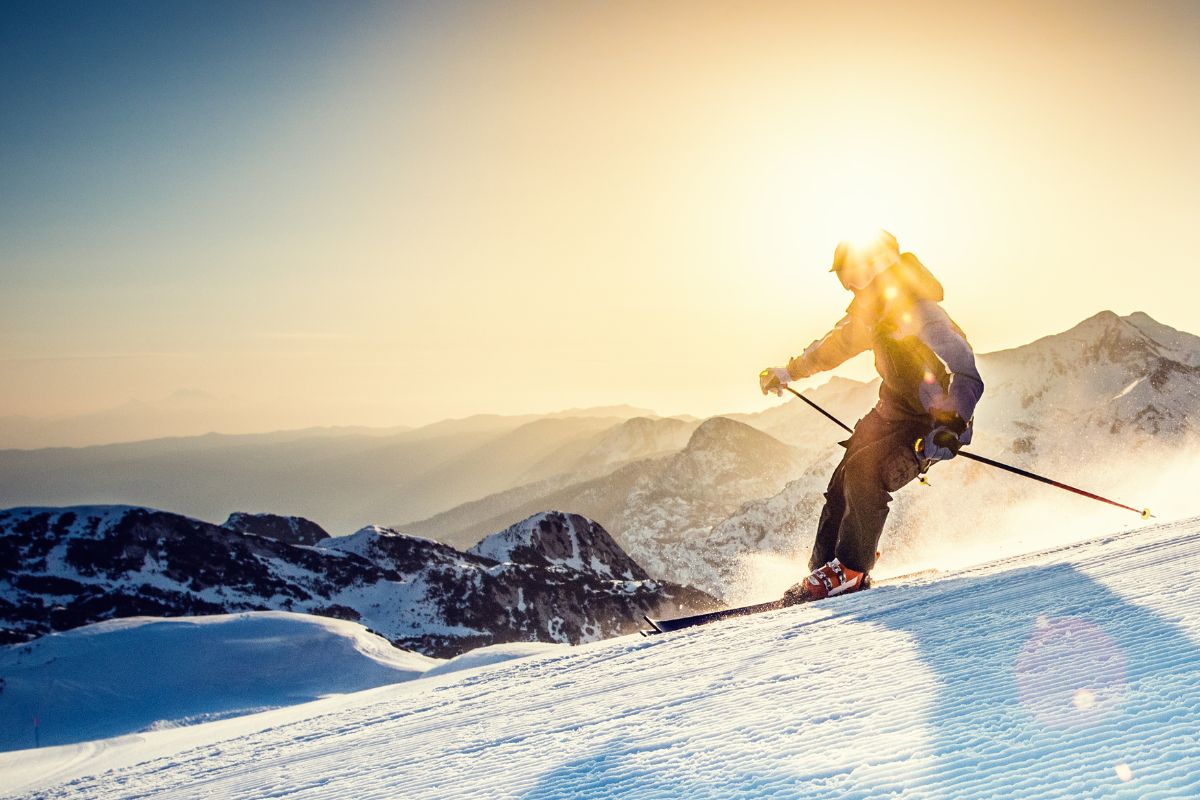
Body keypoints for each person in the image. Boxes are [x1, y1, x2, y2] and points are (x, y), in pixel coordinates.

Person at [759, 230, 984, 602]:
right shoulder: (871, 316)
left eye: (852, 278)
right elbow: (829, 349)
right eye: (845, 282)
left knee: (867, 471)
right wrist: (788, 372)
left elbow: (962, 369)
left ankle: (851, 568)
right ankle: (826, 568)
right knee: (842, 480)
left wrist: (952, 425)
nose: (849, 288)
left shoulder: (922, 314)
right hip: (890, 412)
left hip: (931, 423)